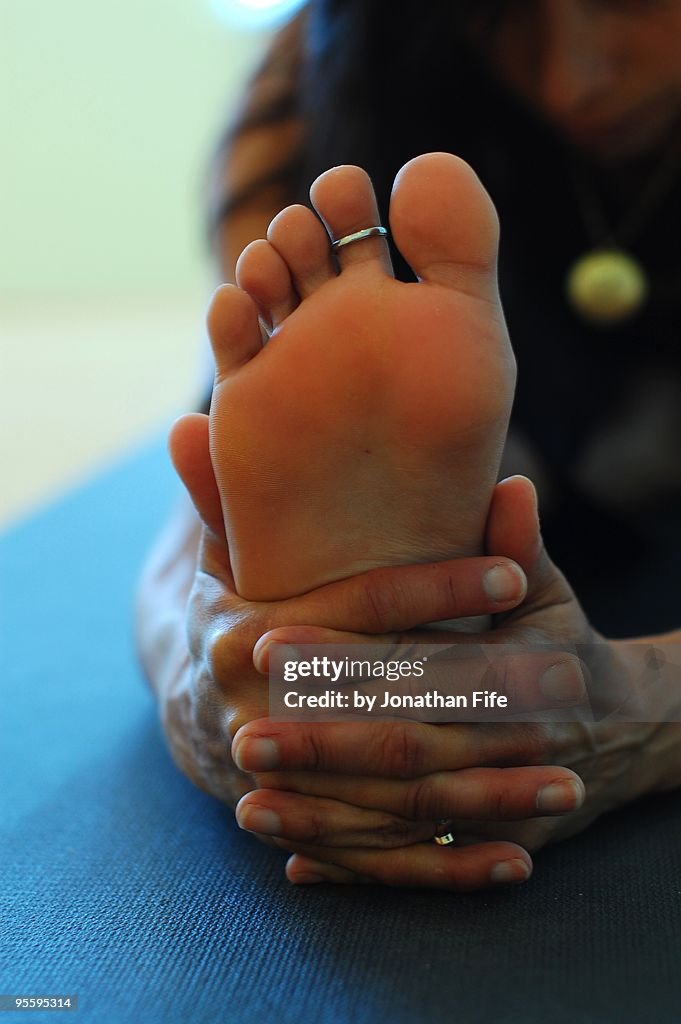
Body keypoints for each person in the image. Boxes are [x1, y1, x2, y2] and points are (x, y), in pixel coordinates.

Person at [136, 0, 681, 891]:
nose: (572, 81)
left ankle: (438, 544)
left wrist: (647, 711)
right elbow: (185, 547)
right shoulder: (330, 87)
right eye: (494, 15)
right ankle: (410, 555)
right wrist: (205, 677)